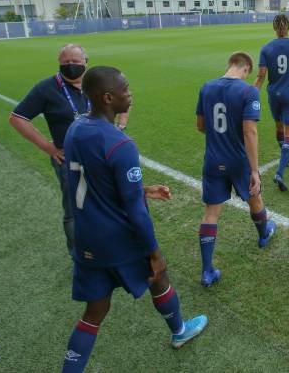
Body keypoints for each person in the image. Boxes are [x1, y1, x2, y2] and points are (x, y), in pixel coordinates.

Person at [60, 67, 206, 371]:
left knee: (94, 312)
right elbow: (135, 213)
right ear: (108, 97)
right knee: (158, 276)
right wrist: (155, 253)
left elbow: (96, 179)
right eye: (126, 89)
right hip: (118, 240)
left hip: (86, 237)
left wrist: (142, 189)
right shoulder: (120, 144)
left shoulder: (75, 129)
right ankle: (180, 331)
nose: (131, 93)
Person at [10, 44, 129, 254]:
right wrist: (49, 148)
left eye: (75, 62)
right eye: (65, 63)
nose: (71, 66)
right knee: (75, 209)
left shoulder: (97, 82)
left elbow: (127, 97)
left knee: (107, 201)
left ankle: (107, 245)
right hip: (69, 160)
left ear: (86, 61)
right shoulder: (46, 88)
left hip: (102, 156)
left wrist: (120, 126)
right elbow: (17, 118)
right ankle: (80, 253)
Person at [196, 52, 275, 288]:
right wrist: (254, 170)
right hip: (238, 161)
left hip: (213, 158)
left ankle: (207, 271)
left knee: (211, 212)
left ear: (230, 64)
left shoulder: (206, 87)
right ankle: (263, 235)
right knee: (255, 199)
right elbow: (249, 131)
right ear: (246, 68)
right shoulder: (248, 91)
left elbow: (201, 127)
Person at [254, 14, 289, 192]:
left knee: (279, 127)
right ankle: (279, 172)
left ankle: (288, 157)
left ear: (274, 27)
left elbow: (261, 76)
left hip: (274, 94)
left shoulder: (266, 48)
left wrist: (251, 93)